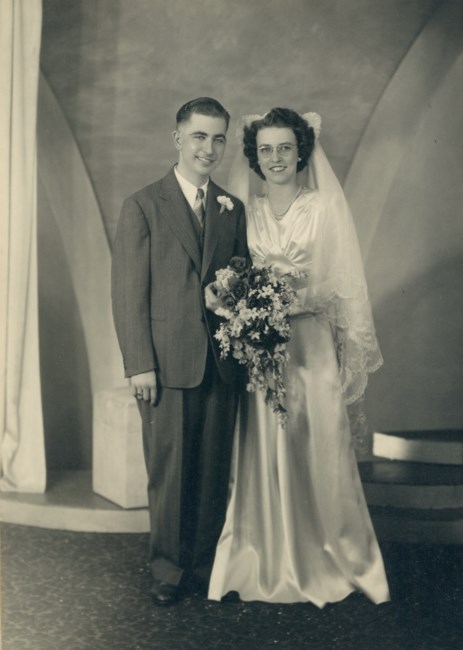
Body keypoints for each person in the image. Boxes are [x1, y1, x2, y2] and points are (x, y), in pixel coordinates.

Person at [208, 108, 390, 608]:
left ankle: (333, 555)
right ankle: (265, 555)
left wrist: (292, 301)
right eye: (265, 149)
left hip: (311, 345)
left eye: (285, 148)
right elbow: (231, 273)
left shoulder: (324, 206)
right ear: (255, 157)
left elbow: (342, 279)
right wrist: (243, 305)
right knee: (265, 447)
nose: (275, 158)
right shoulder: (246, 210)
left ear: (301, 151)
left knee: (318, 446)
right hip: (261, 348)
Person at [111, 97, 248, 606]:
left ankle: (206, 567)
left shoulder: (231, 208)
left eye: (218, 139)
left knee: (212, 470)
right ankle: (168, 570)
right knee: (169, 471)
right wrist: (140, 364)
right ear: (178, 139)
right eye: (198, 137)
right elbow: (129, 294)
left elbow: (239, 282)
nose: (208, 148)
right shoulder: (143, 205)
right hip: (165, 365)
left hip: (220, 363)